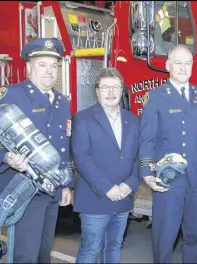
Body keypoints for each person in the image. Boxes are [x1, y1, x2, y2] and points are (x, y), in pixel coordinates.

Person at [0, 37, 73, 263]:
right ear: (29, 67)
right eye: (42, 65)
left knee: (43, 253)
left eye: (54, 65)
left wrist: (66, 185)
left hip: (51, 190)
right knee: (25, 255)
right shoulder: (12, 94)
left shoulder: (62, 102)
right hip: (23, 189)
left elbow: (63, 147)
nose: (49, 71)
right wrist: (7, 158)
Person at [138, 44, 197, 263]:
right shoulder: (156, 96)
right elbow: (147, 138)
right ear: (168, 65)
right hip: (168, 179)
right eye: (177, 63)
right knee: (165, 237)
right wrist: (147, 173)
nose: (183, 68)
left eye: (187, 63)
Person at [71, 68, 140, 263]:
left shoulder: (133, 120)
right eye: (105, 87)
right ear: (97, 92)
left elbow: (139, 157)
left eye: (115, 87)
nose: (111, 92)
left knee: (114, 247)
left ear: (122, 90)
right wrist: (107, 188)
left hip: (123, 198)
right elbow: (81, 157)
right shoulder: (83, 118)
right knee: (91, 250)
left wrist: (130, 185)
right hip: (95, 199)